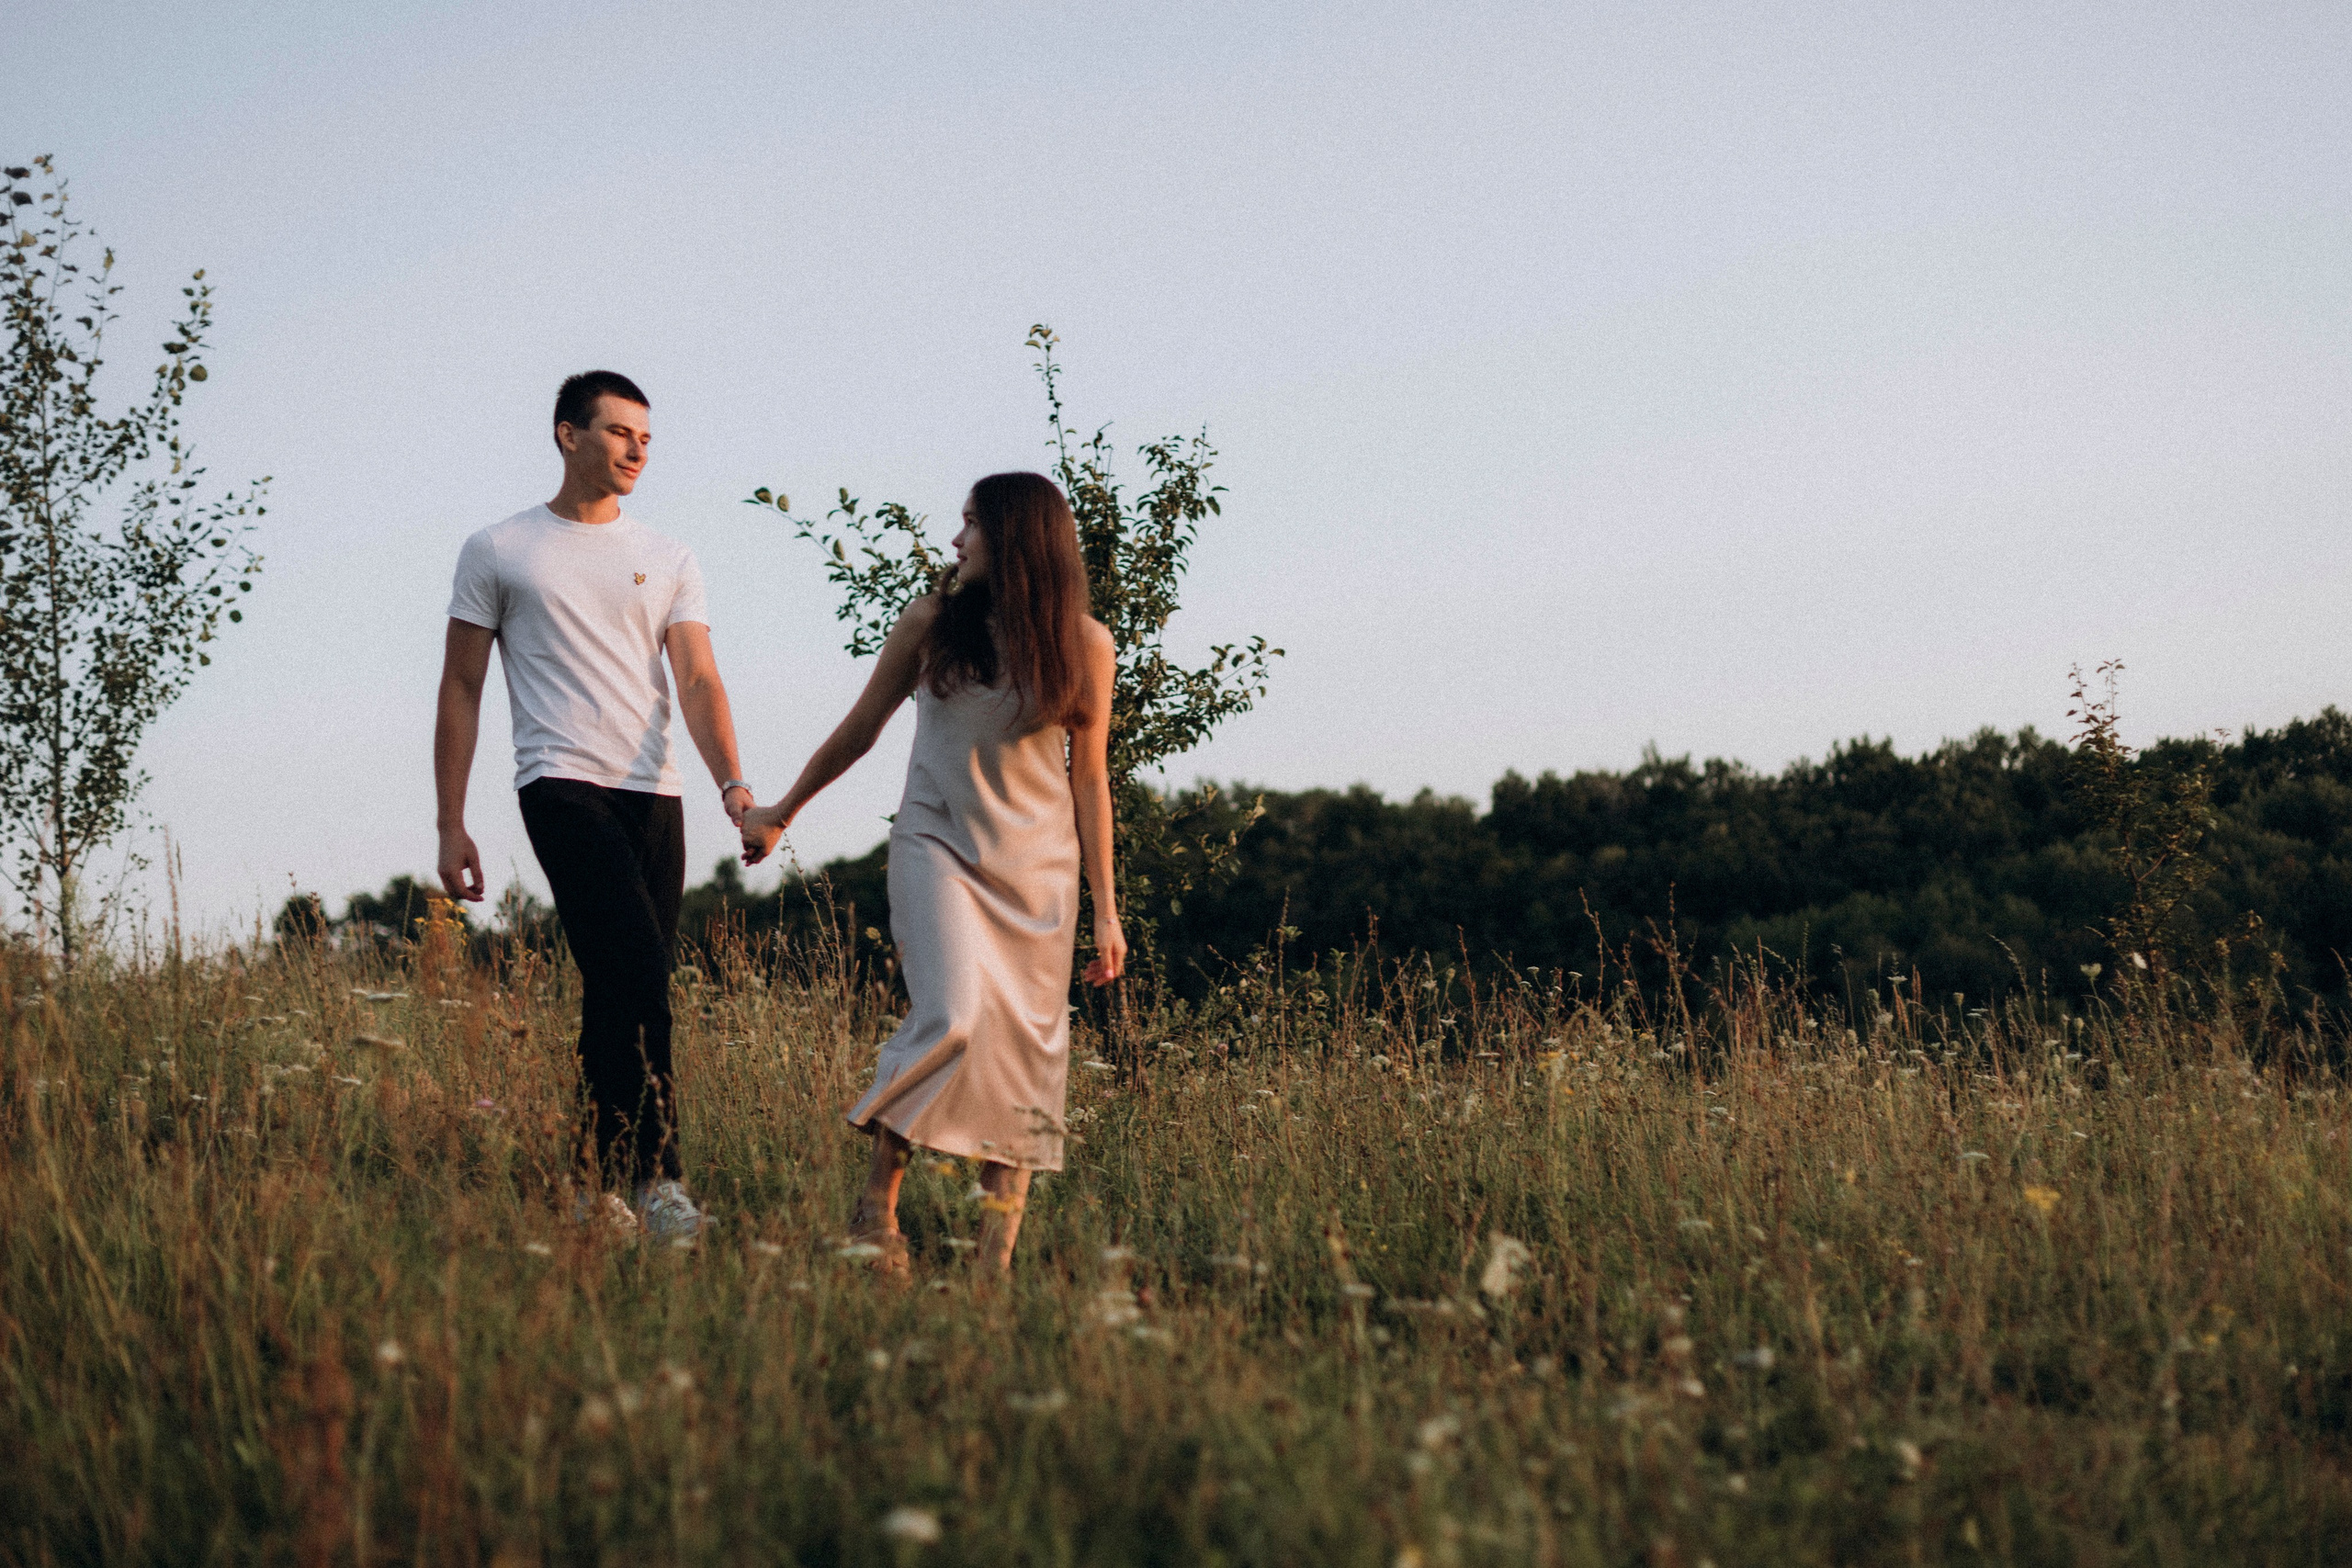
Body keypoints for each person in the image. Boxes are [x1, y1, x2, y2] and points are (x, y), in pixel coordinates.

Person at [740, 470, 1125, 1274]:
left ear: (1015, 536)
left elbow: (1090, 778)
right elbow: (861, 728)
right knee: (952, 1016)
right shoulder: (931, 622)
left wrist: (1107, 910)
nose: (955, 540)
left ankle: (992, 1267)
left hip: (1040, 873)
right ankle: (875, 1205)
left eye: (970, 524)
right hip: (938, 846)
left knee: (1025, 1054)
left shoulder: (1086, 644)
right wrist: (784, 808)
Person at [435, 370, 756, 1241]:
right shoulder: (499, 548)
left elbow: (697, 678)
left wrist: (733, 784)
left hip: (655, 793)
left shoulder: (671, 554)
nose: (636, 450)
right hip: (560, 782)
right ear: (567, 435)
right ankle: (659, 1186)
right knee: (639, 973)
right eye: (619, 433)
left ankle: (589, 1190)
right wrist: (450, 820)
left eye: (646, 438)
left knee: (616, 987)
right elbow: (462, 688)